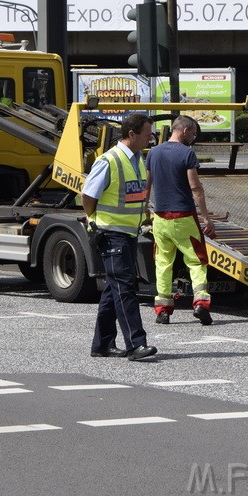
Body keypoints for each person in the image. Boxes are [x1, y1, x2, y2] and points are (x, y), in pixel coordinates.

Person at [82, 112, 158, 361]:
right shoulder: (109, 160)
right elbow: (88, 196)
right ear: (132, 134)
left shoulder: (136, 158)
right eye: (147, 135)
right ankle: (136, 344)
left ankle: (102, 344)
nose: (150, 139)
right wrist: (94, 221)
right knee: (125, 288)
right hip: (111, 233)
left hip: (127, 232)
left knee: (113, 289)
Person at [146, 115, 217, 325]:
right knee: (196, 260)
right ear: (184, 131)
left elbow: (146, 185)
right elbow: (195, 188)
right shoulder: (187, 153)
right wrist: (206, 217)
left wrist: (143, 212)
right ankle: (201, 303)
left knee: (163, 263)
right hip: (184, 216)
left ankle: (162, 310)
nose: (194, 137)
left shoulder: (153, 152)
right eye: (193, 133)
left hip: (159, 217)